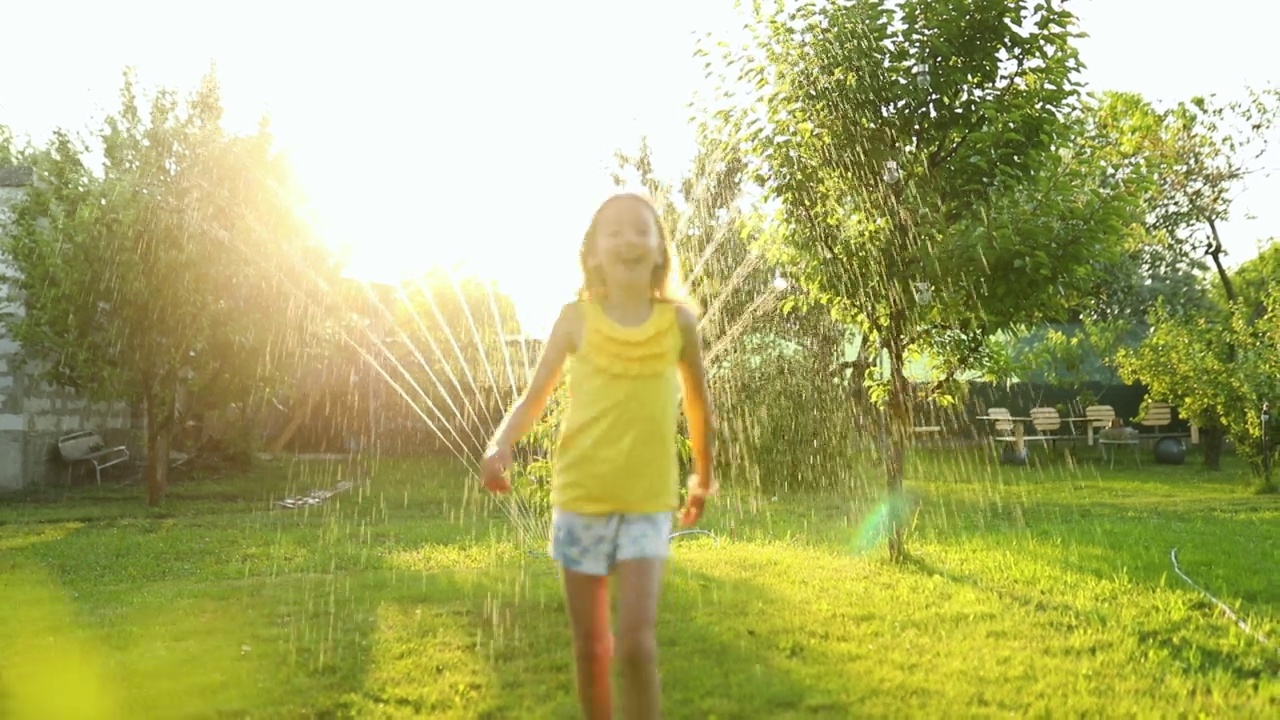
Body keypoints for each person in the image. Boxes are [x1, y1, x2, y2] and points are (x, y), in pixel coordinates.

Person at [479, 192, 717, 720]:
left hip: (647, 502)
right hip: (581, 497)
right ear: (593, 254)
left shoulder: (679, 323)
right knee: (591, 650)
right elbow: (534, 396)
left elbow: (699, 404)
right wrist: (502, 443)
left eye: (641, 230)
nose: (628, 239)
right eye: (614, 232)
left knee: (636, 645)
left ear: (659, 249)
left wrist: (704, 474)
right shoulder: (574, 319)